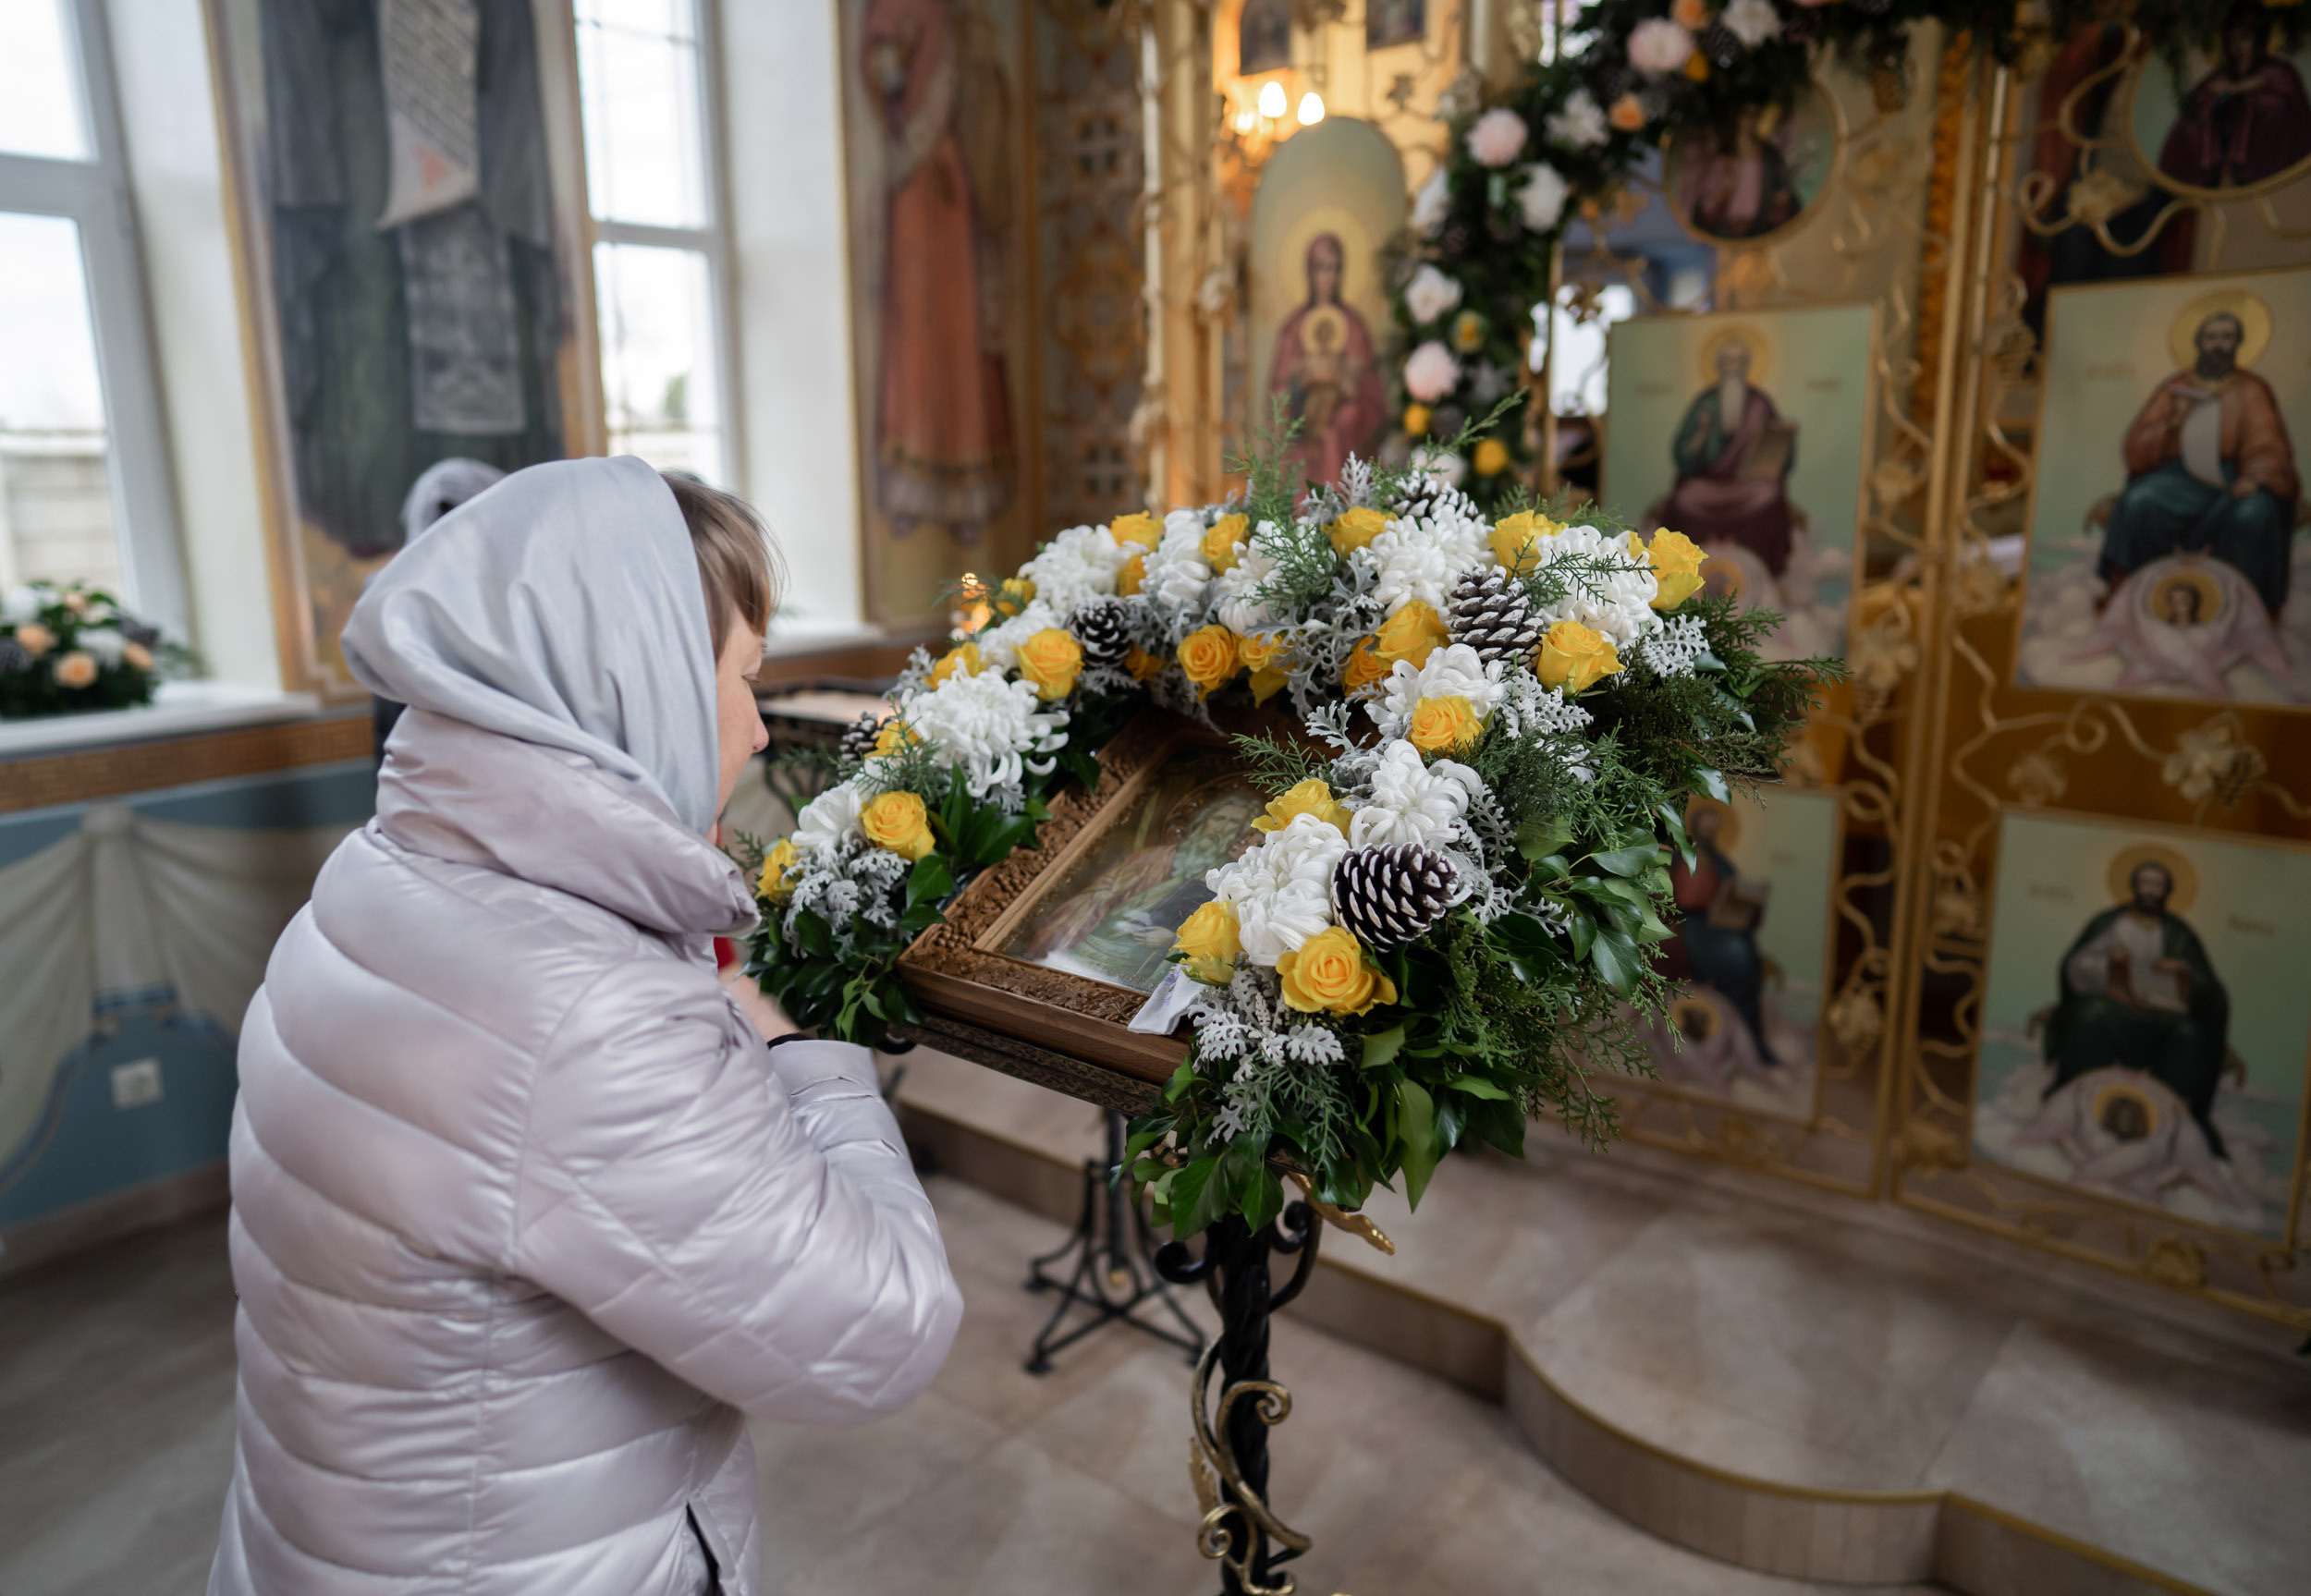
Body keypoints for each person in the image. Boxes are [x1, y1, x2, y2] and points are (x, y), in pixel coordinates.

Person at [205, 457, 962, 1596]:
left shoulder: (370, 878)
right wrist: (806, 1056)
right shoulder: (580, 1009)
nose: (758, 731)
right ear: (637, 682)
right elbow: (879, 1330)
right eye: (742, 678)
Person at [2097, 309, 2300, 615]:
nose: (2218, 344)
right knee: (2139, 500)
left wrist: (2256, 477)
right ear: (2199, 343)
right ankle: (2131, 596)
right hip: (2178, 479)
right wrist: (2172, 423)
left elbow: (2268, 444)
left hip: (2237, 478)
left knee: (2255, 514)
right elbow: (2136, 450)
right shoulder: (2174, 388)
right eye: (2211, 337)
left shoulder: (2251, 390)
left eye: (2226, 337)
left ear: (2238, 343)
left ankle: (2246, 609)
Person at [2041, 859, 2232, 1160]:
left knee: (2190, 1034)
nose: (2150, 891)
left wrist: (2183, 976)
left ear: (2168, 890)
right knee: (2089, 1015)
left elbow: (2211, 990)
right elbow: (2075, 966)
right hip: (2114, 1007)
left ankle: (2172, 1122)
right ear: (2134, 886)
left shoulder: (2180, 934)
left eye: (2157, 885)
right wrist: (2112, 968)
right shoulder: (2109, 923)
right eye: (2145, 883)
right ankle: (2070, 1104)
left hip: (2164, 1016)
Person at [1645, 337, 1798, 577]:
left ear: (1748, 365)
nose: (1733, 366)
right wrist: (1701, 435)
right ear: (1717, 364)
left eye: (1739, 361)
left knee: (1768, 495)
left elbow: (1781, 461)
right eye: (1727, 360)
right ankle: (1680, 574)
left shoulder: (1760, 403)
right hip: (1707, 486)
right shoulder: (1705, 403)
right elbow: (1682, 458)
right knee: (1684, 499)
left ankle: (1766, 575)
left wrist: (1784, 441)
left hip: (1748, 487)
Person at [1266, 233, 1387, 490]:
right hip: (1304, 422)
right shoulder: (1294, 328)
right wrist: (1303, 379)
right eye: (1321, 268)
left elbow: (1372, 394)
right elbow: (1277, 393)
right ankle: (1304, 509)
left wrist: (1345, 381)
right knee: (1309, 431)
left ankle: (1342, 507)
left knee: (1340, 424)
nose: (1328, 277)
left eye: (1335, 268)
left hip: (1346, 427)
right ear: (1309, 272)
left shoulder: (1354, 327)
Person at [2158, 9, 2311, 191]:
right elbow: (2196, 102)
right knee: (2191, 126)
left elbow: (2288, 99)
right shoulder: (2223, 73)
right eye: (2232, 41)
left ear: (2258, 39)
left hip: (2267, 164)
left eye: (2244, 38)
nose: (2238, 47)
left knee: (2272, 107)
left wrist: (2240, 91)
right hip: (2219, 158)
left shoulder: (2278, 71)